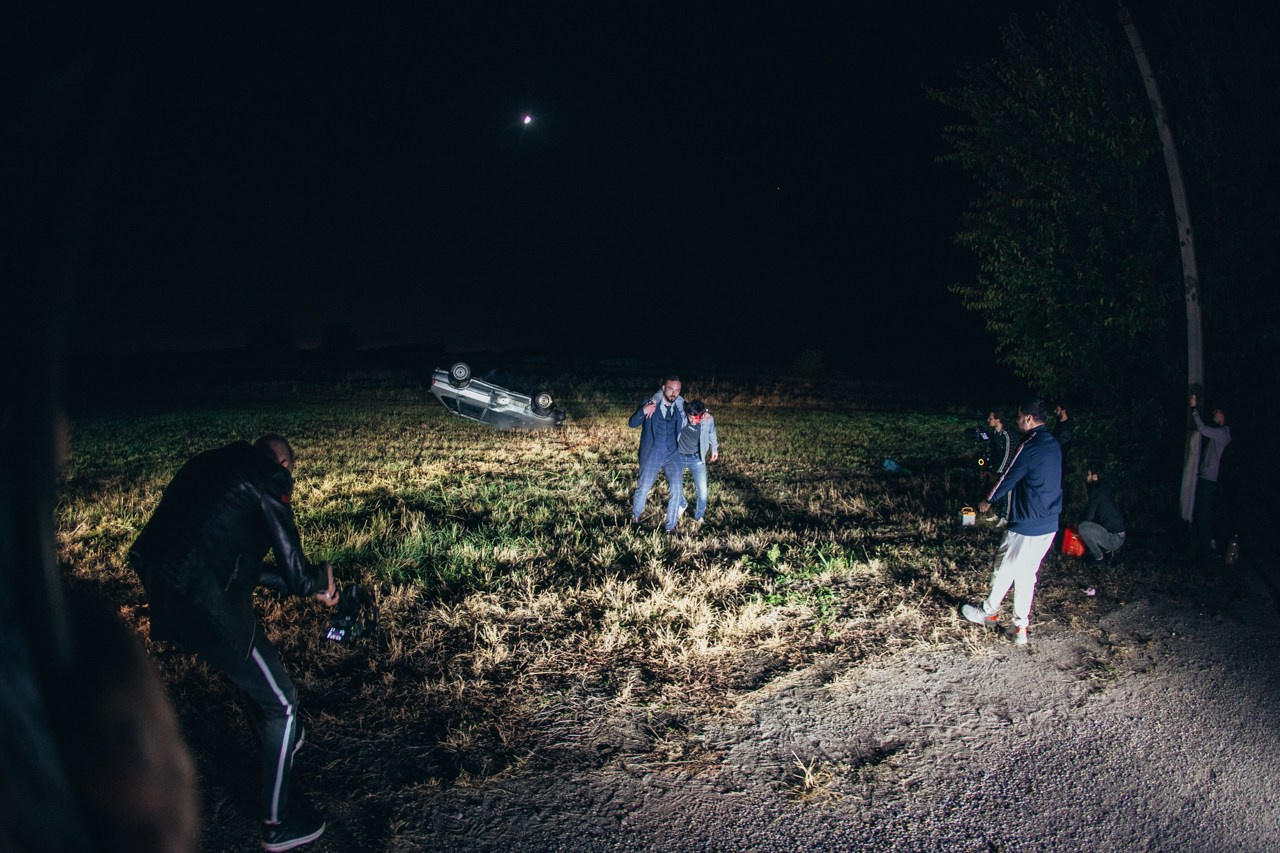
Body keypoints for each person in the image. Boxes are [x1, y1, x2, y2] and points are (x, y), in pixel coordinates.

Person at [129, 434, 338, 852]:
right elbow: (295, 573)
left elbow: (233, 559)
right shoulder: (268, 479)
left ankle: (278, 741)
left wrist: (308, 585)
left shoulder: (211, 462)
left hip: (162, 581)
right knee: (283, 704)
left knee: (253, 677)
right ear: (283, 465)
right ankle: (277, 825)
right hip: (206, 600)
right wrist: (320, 580)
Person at [961, 399, 1063, 646]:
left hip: (1027, 522)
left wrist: (988, 499)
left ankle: (988, 613)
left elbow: (1009, 475)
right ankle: (1020, 629)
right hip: (1049, 522)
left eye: (1019, 417)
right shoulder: (1053, 444)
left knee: (1004, 567)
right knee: (1026, 574)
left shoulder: (1029, 445)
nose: (1017, 421)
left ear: (1028, 419)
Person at [628, 376, 686, 529]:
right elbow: (632, 423)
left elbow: (697, 411)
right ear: (663, 388)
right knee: (644, 486)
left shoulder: (681, 408)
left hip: (673, 454)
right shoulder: (650, 404)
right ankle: (635, 518)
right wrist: (643, 410)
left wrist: (706, 413)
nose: (674, 393)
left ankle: (670, 527)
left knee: (677, 488)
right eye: (670, 389)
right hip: (653, 452)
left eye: (677, 390)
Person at [1187, 394, 1232, 561]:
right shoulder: (1221, 433)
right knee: (1199, 514)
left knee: (1202, 516)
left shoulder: (1222, 433)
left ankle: (1206, 552)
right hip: (1206, 478)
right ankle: (1197, 550)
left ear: (1223, 416)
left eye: (1217, 412)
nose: (1215, 413)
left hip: (1207, 480)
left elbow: (1202, 429)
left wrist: (1194, 409)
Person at [667, 400, 720, 531]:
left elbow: (712, 433)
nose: (692, 421)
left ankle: (699, 516)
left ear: (702, 415)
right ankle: (682, 504)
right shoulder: (683, 416)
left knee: (703, 492)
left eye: (695, 418)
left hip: (696, 459)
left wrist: (714, 449)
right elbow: (678, 400)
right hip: (678, 457)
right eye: (690, 417)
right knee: (673, 486)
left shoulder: (707, 420)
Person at [1078, 465, 1126, 561]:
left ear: (1095, 477)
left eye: (1089, 475)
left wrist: (1079, 524)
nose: (1087, 477)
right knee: (1091, 524)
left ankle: (1099, 557)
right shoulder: (1104, 488)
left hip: (1114, 539)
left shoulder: (1096, 491)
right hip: (1120, 535)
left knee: (1083, 527)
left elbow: (1089, 516)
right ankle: (1107, 552)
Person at [981, 409, 1013, 525]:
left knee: (1007, 492)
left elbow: (1009, 454)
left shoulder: (1007, 434)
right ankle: (998, 513)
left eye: (991, 418)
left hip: (1010, 467)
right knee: (998, 490)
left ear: (998, 420)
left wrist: (1000, 471)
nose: (988, 420)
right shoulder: (995, 433)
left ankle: (1005, 518)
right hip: (1000, 466)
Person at [1053, 403, 1075, 491]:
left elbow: (1060, 443)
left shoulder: (1069, 426)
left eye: (1057, 409)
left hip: (1062, 460)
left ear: (1063, 411)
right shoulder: (1058, 424)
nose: (1055, 411)